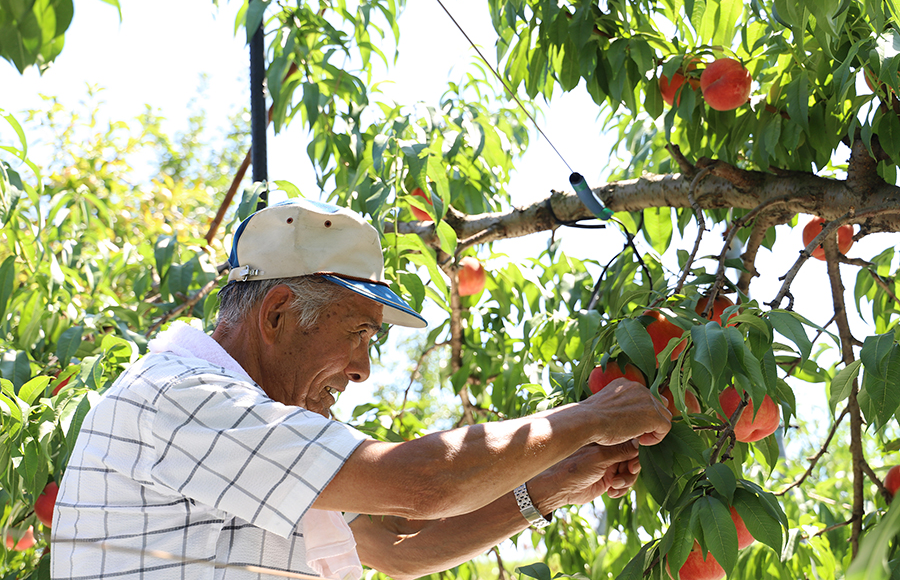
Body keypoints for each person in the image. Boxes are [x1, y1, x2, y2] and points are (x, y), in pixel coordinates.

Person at [51, 199, 672, 580]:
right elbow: (422, 483)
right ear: (276, 315)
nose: (363, 370)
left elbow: (400, 548)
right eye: (358, 334)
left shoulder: (250, 438)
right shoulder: (181, 399)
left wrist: (554, 485)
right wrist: (589, 417)